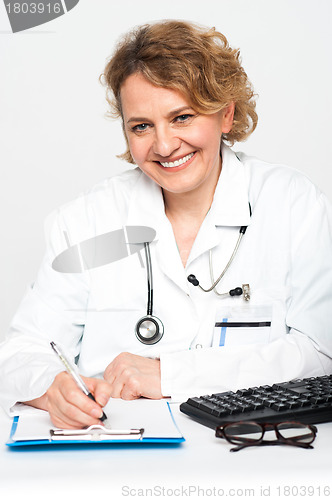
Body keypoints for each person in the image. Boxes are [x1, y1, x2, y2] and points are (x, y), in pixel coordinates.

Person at [1, 20, 332, 429]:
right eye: (141, 126)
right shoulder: (87, 220)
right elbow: (22, 352)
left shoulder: (292, 204)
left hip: (250, 455)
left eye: (182, 117)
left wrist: (172, 374)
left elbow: (321, 352)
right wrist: (50, 387)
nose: (163, 145)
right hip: (112, 460)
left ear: (225, 114)